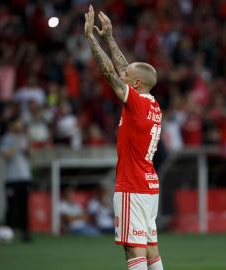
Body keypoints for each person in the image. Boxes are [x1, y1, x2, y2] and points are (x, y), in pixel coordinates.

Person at [84, 6, 164, 270]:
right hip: (149, 184)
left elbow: (110, 74)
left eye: (127, 78)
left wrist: (91, 39)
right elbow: (123, 69)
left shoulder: (137, 104)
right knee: (151, 248)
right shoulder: (152, 104)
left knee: (134, 251)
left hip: (133, 185)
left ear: (136, 85)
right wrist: (109, 37)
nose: (123, 75)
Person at [0, 117, 32, 242]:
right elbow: (5, 155)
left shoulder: (24, 138)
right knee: (11, 206)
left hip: (25, 176)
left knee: (24, 206)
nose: (20, 126)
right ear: (11, 126)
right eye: (17, 124)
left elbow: (31, 156)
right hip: (12, 178)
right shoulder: (5, 139)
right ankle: (7, 232)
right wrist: (17, 145)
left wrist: (28, 148)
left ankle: (25, 232)